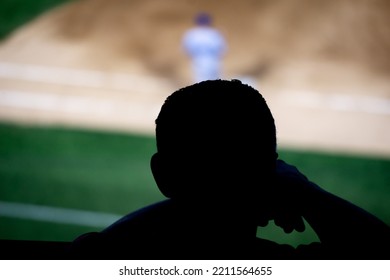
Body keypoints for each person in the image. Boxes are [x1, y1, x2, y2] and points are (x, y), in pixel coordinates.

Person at [70, 79, 389, 260]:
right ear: (270, 172)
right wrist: (305, 193)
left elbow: (104, 246)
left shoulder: (105, 257)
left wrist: (183, 200)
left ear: (163, 175)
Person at [182, 12, 227, 83]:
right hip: (214, 60)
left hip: (198, 61)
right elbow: (222, 50)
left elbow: (186, 50)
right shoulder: (215, 33)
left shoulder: (191, 33)